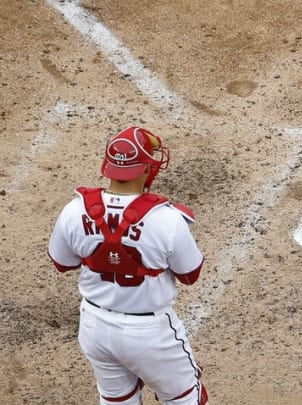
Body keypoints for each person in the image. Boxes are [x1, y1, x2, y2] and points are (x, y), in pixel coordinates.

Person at [48, 126, 209, 405]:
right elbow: (190, 274)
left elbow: (62, 263)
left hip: (94, 327)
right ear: (146, 168)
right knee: (186, 399)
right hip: (150, 334)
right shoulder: (167, 219)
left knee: (117, 401)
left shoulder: (74, 210)